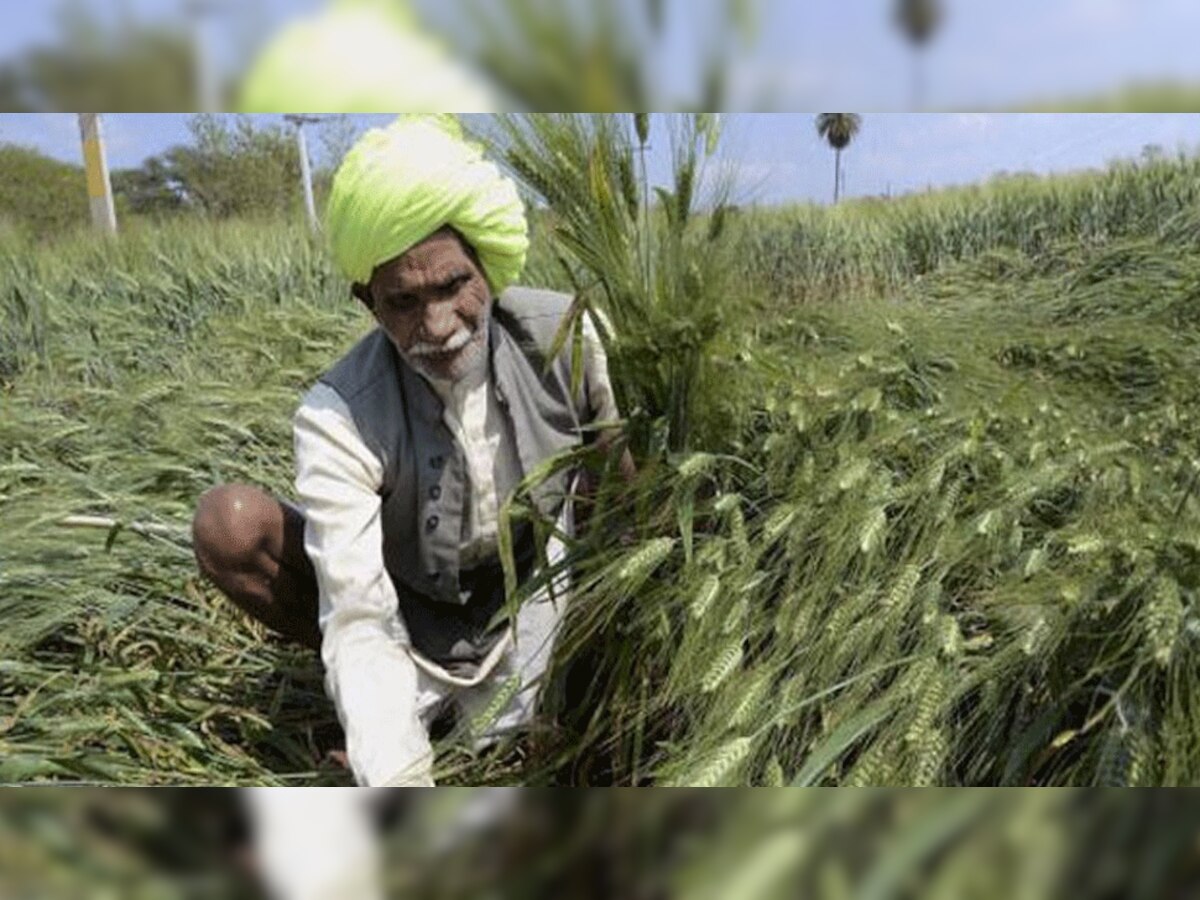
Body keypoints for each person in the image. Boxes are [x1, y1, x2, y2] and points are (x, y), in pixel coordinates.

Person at [191, 115, 633, 786]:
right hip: (410, 620)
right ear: (367, 302)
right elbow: (359, 615)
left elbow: (620, 498)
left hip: (537, 599)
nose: (436, 326)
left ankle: (552, 697)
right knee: (228, 523)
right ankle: (406, 722)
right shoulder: (338, 415)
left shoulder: (567, 336)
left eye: (453, 285)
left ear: (485, 264)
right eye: (402, 301)